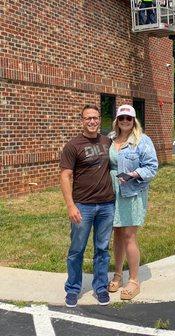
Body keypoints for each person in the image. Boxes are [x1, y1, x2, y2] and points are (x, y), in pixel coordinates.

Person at [60, 104, 115, 308]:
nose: (92, 121)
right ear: (81, 121)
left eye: (95, 117)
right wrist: (70, 206)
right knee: (77, 249)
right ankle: (73, 289)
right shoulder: (73, 146)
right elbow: (65, 176)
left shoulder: (108, 142)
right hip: (83, 206)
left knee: (102, 249)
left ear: (100, 119)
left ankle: (101, 287)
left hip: (107, 205)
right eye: (87, 118)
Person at [108, 104, 158, 300]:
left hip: (132, 192)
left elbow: (152, 167)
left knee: (129, 235)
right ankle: (118, 275)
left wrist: (133, 174)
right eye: (122, 118)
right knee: (117, 234)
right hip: (111, 193)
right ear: (117, 120)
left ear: (134, 120)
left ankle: (134, 281)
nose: (125, 121)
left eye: (129, 118)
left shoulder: (142, 141)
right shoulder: (110, 139)